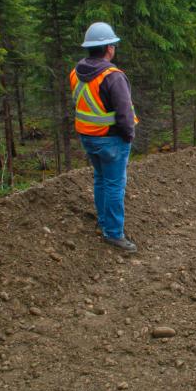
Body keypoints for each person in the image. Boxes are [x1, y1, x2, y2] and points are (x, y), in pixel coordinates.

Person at [70, 22, 139, 252]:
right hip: (111, 141)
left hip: (87, 137)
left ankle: (103, 222)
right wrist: (129, 136)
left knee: (100, 179)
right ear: (108, 48)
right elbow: (124, 113)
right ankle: (113, 233)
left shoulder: (76, 73)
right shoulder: (113, 76)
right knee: (114, 185)